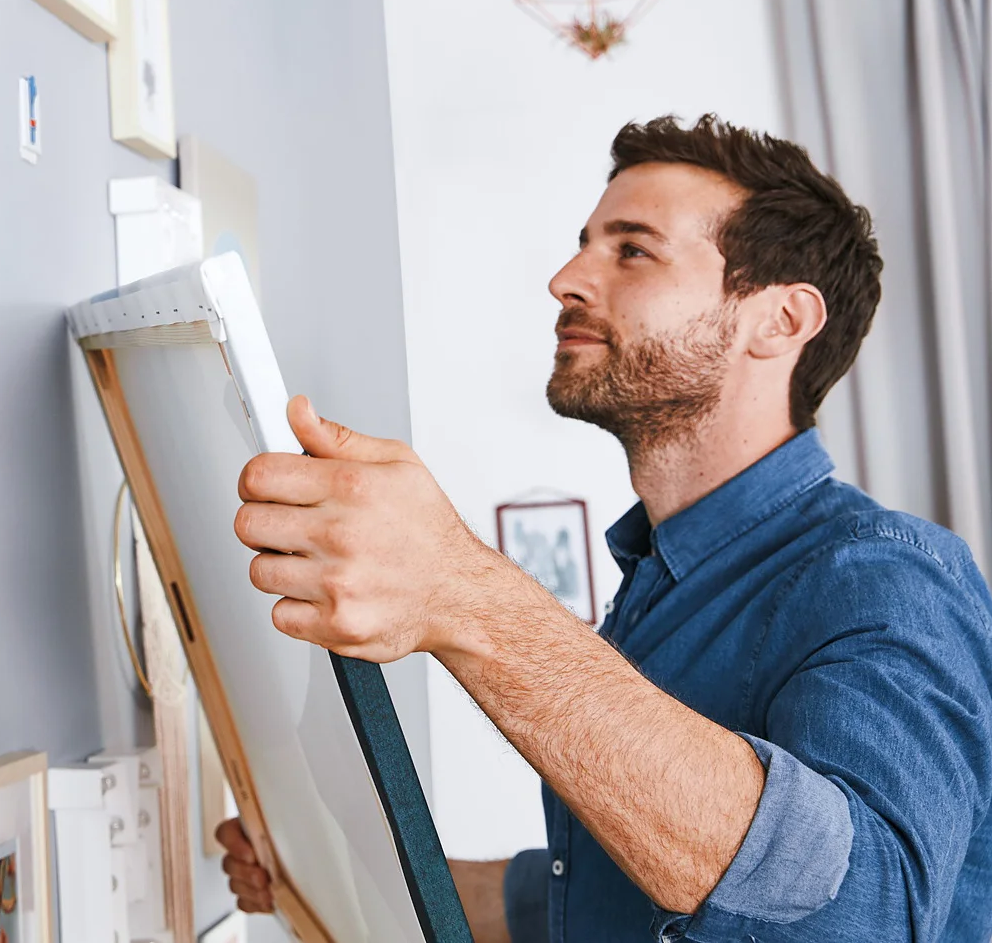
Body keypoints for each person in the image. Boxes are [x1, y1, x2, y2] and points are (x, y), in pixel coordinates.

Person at [215, 115, 992, 942]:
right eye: (584, 244)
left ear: (781, 321)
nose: (564, 279)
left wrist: (466, 597)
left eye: (632, 250)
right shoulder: (658, 586)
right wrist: (316, 863)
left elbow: (860, 913)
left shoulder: (891, 578)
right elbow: (581, 897)